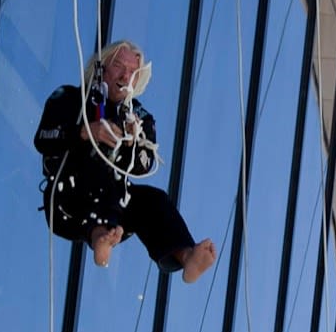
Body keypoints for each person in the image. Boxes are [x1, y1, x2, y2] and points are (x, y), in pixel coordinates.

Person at [35, 40, 216, 283]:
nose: (125, 75)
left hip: (115, 204)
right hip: (66, 198)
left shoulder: (139, 116)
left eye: (132, 72)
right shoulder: (68, 97)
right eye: (118, 65)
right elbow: (44, 137)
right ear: (102, 68)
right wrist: (86, 132)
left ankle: (185, 254)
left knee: (154, 200)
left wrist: (130, 143)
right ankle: (99, 237)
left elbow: (146, 163)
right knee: (96, 171)